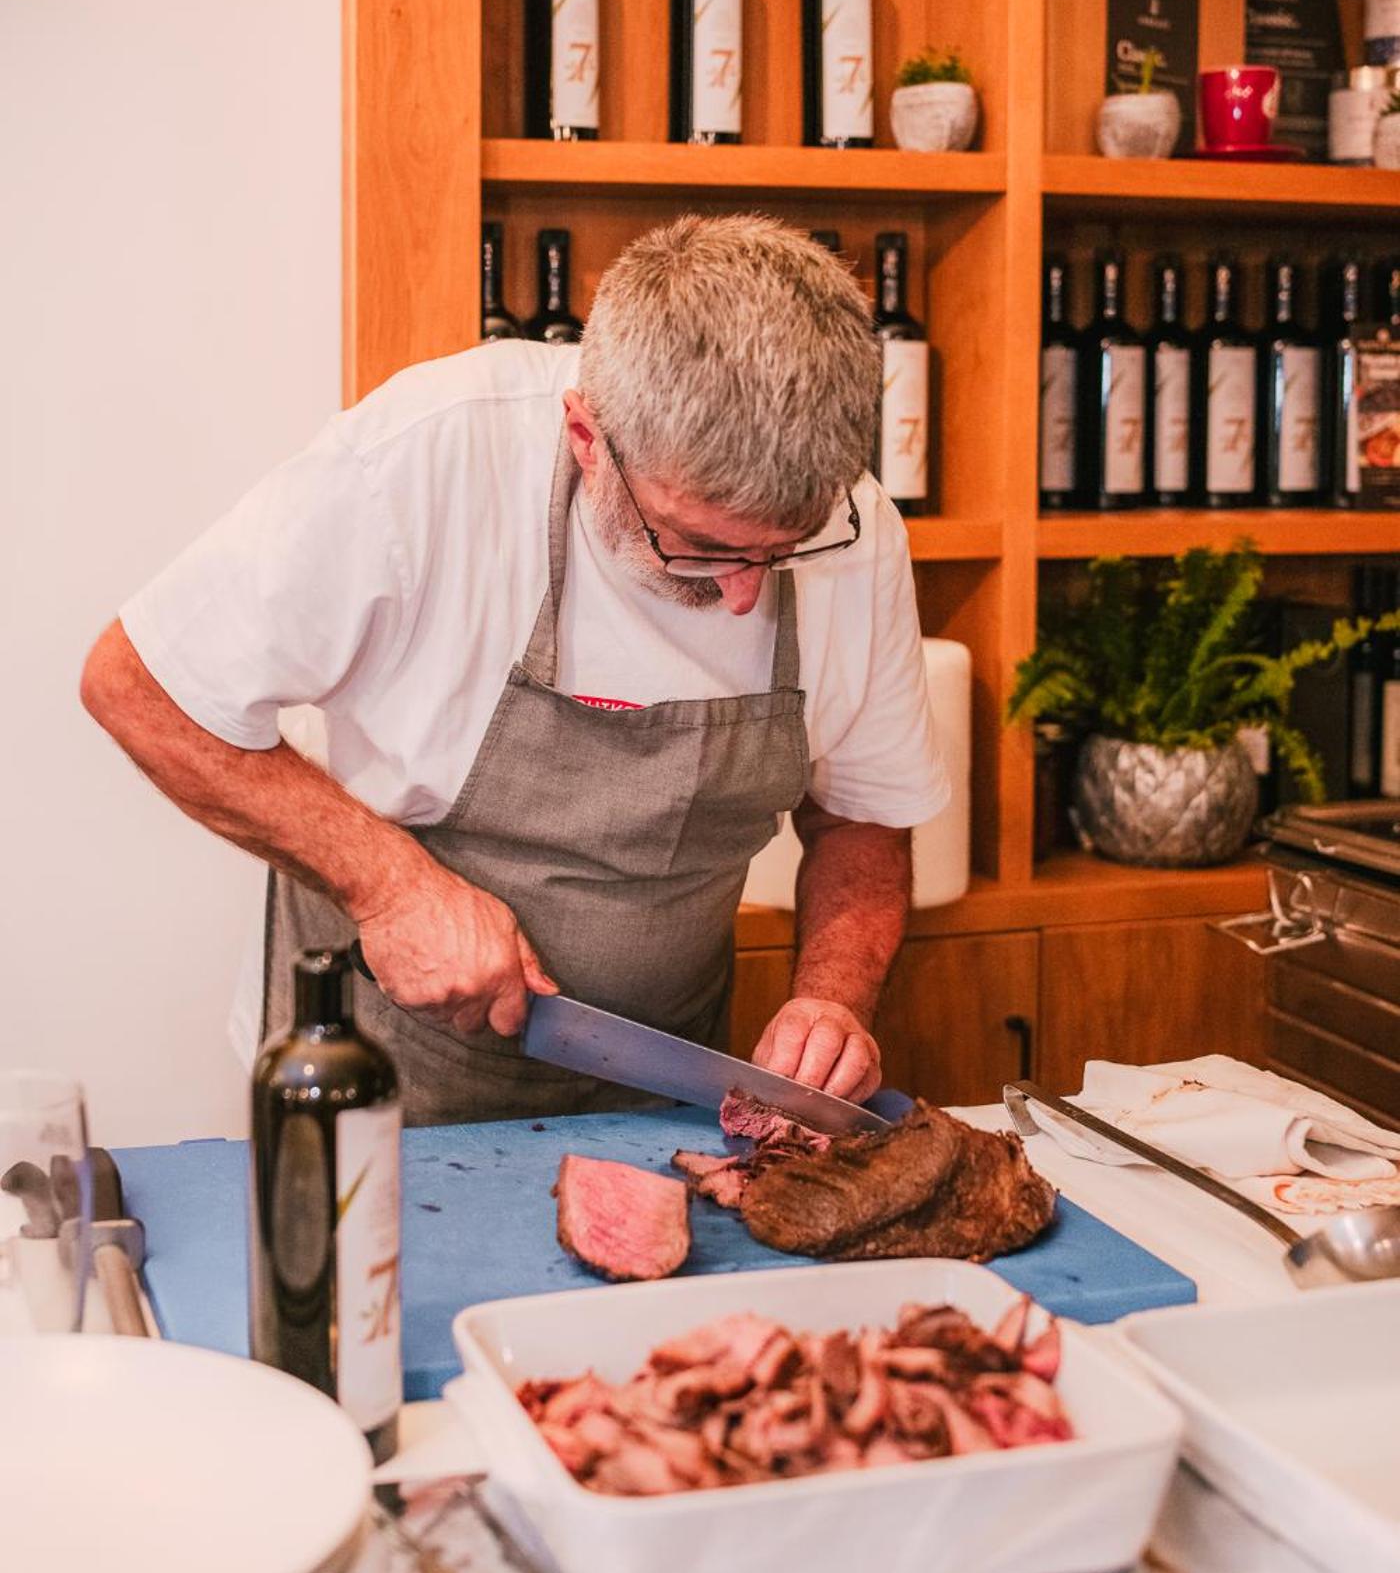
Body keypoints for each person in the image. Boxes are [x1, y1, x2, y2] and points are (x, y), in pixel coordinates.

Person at [81, 215, 947, 1123]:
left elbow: (862, 817)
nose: (743, 595)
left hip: (663, 1082)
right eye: (697, 545)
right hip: (381, 1066)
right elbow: (139, 685)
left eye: (786, 549)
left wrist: (832, 1000)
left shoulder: (860, 532)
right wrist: (391, 886)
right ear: (586, 436)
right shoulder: (423, 460)